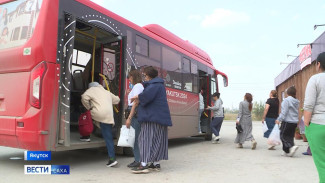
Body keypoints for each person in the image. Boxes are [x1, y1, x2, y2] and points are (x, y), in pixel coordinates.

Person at [130, 66, 172, 174]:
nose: (144, 77)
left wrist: (137, 97)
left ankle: (143, 165)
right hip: (160, 117)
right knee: (157, 140)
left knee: (145, 139)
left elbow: (146, 97)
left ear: (148, 76)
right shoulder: (159, 85)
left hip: (151, 117)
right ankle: (155, 163)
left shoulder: (154, 85)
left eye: (144, 75)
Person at [81, 82, 120, 167]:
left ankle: (112, 159)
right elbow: (117, 100)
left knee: (85, 117)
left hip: (98, 114)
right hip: (109, 115)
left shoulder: (91, 90)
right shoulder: (106, 91)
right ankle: (88, 135)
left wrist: (89, 107)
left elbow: (84, 97)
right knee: (108, 136)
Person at [304, 52, 325, 182]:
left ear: (318, 64)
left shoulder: (315, 79)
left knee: (322, 165)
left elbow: (309, 105)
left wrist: (307, 125)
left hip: (318, 125)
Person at [125, 70, 144, 168]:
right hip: (134, 112)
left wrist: (129, 117)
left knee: (134, 138)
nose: (129, 79)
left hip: (134, 113)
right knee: (134, 137)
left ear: (134, 77)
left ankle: (138, 160)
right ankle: (138, 159)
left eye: (130, 77)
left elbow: (135, 103)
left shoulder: (137, 86)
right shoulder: (137, 86)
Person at [275, 86, 300, 157]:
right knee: (290, 136)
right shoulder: (296, 101)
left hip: (287, 121)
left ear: (287, 93)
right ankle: (286, 151)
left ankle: (291, 147)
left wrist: (279, 119)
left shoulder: (286, 100)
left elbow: (284, 112)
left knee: (282, 135)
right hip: (294, 122)